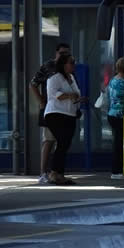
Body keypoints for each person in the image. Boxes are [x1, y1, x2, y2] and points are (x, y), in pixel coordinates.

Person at [29, 42, 71, 184]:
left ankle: (57, 172)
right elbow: (33, 83)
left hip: (66, 110)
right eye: (62, 53)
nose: (64, 56)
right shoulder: (49, 66)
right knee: (49, 140)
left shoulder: (68, 67)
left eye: (67, 53)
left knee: (62, 141)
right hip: (51, 109)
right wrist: (41, 100)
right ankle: (43, 172)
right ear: (56, 53)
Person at [44, 53, 86, 185]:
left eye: (74, 62)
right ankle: (54, 173)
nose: (74, 65)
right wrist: (69, 95)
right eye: (71, 62)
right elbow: (53, 94)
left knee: (65, 144)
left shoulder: (71, 78)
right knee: (62, 142)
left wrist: (79, 99)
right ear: (63, 64)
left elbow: (75, 94)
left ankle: (59, 174)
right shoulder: (54, 78)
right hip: (56, 113)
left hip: (70, 114)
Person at [107, 57, 124, 180]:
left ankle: (118, 169)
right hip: (120, 116)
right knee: (119, 144)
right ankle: (117, 171)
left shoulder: (113, 80)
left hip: (112, 114)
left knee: (118, 142)